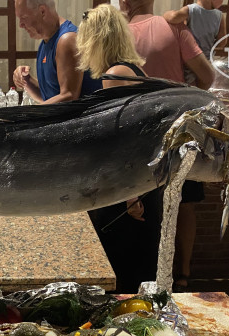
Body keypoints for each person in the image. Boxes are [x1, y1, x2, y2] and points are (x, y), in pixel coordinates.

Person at [122, 0, 214, 291]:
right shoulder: (174, 28)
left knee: (143, 204)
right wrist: (185, 100)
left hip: (139, 134)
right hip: (180, 130)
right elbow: (208, 76)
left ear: (124, 2)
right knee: (184, 204)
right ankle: (182, 273)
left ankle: (145, 278)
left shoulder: (120, 34)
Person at [76, 4, 157, 292]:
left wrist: (129, 193)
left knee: (122, 268)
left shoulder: (115, 74)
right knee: (140, 264)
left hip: (129, 184)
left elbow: (124, 137)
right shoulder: (133, 69)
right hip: (142, 178)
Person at [13, 0, 102, 104]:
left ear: (42, 11)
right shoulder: (45, 42)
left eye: (24, 17)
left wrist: (30, 112)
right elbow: (50, 97)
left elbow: (69, 97)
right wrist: (26, 81)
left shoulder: (66, 40)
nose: (20, 25)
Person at [164, 0, 228, 84]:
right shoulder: (219, 16)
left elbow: (173, 18)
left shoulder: (191, 10)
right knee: (203, 82)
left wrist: (167, 13)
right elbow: (222, 41)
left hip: (190, 59)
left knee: (187, 82)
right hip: (206, 61)